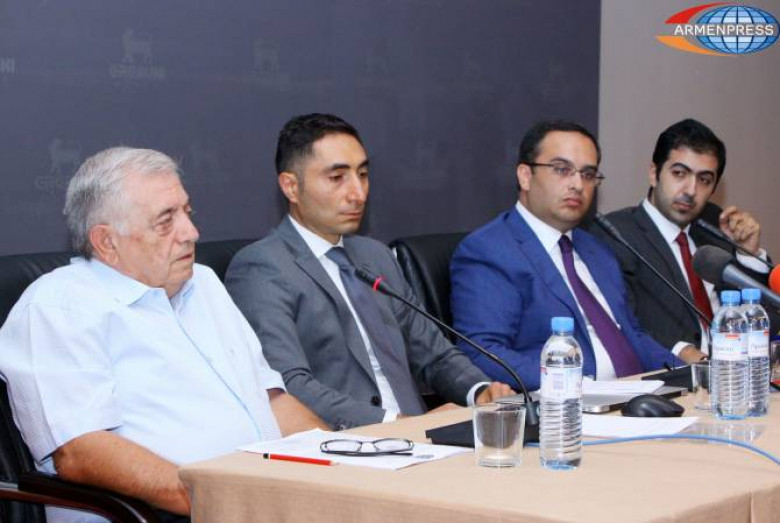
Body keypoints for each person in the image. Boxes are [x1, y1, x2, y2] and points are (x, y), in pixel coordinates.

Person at [0, 147, 325, 523]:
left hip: (263, 499)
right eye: (165, 221)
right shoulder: (59, 306)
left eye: (187, 212)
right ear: (107, 242)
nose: (191, 233)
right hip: (171, 512)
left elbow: (271, 402)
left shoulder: (203, 283)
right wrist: (222, 501)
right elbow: (81, 452)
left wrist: (346, 464)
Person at [225, 113, 512, 430]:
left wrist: (479, 391)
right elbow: (289, 386)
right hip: (347, 444)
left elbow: (434, 354)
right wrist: (395, 424)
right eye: (337, 178)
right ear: (291, 186)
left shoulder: (375, 256)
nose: (358, 193)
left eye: (362, 174)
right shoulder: (261, 267)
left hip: (421, 436)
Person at [450, 120, 679, 390]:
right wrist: (577, 388)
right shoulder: (489, 250)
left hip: (637, 396)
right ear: (525, 176)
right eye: (562, 169)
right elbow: (483, 351)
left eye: (588, 174)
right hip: (569, 403)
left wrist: (688, 374)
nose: (578, 184)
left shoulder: (597, 249)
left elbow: (632, 334)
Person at [593, 119, 771, 360]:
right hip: (673, 371)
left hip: (734, 370)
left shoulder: (715, 229)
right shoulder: (616, 234)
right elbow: (620, 320)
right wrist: (681, 351)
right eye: (679, 173)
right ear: (654, 173)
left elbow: (764, 319)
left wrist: (749, 253)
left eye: (704, 180)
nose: (690, 190)